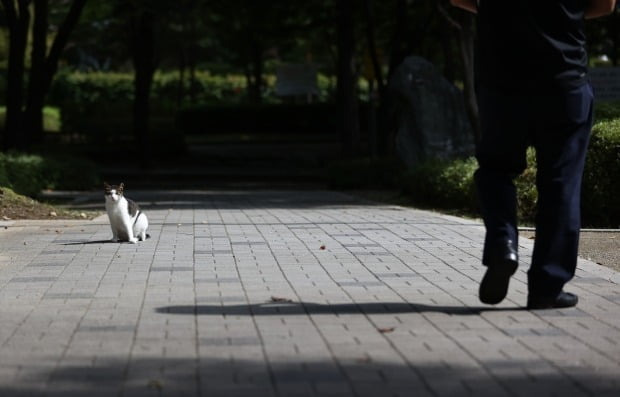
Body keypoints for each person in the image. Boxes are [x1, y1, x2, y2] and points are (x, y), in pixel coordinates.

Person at [450, 0, 617, 309]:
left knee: (496, 169)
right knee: (561, 182)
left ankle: (503, 244)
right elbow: (606, 5)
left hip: (501, 79)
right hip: (563, 76)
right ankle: (547, 286)